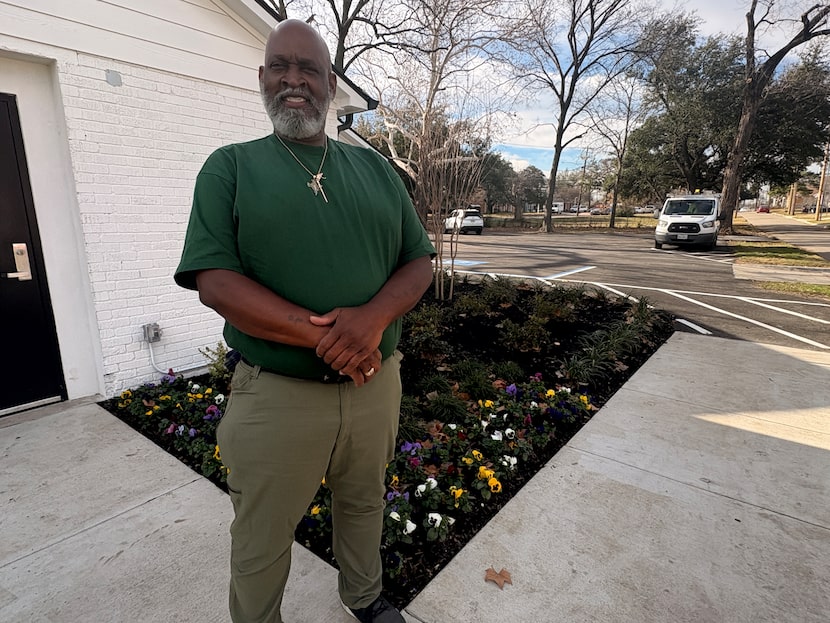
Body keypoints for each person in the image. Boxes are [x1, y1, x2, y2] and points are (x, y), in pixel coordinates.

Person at [174, 19, 435, 623]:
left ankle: (365, 599)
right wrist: (328, 337)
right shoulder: (231, 168)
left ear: (330, 84)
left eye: (309, 69)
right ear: (262, 77)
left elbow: (418, 262)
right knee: (263, 535)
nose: (295, 81)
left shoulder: (376, 171)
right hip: (277, 396)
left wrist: (371, 322)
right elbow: (215, 279)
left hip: (374, 385)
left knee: (365, 501)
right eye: (281, 67)